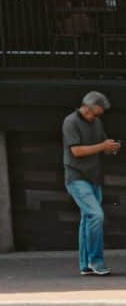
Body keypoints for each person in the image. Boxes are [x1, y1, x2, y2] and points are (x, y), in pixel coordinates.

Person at [64, 90, 118, 276]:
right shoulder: (70, 122)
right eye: (98, 110)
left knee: (87, 219)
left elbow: (101, 144)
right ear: (88, 107)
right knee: (96, 215)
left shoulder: (97, 122)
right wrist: (102, 146)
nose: (99, 114)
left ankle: (85, 265)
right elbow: (76, 151)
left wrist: (109, 148)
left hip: (94, 178)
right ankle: (96, 261)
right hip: (77, 178)